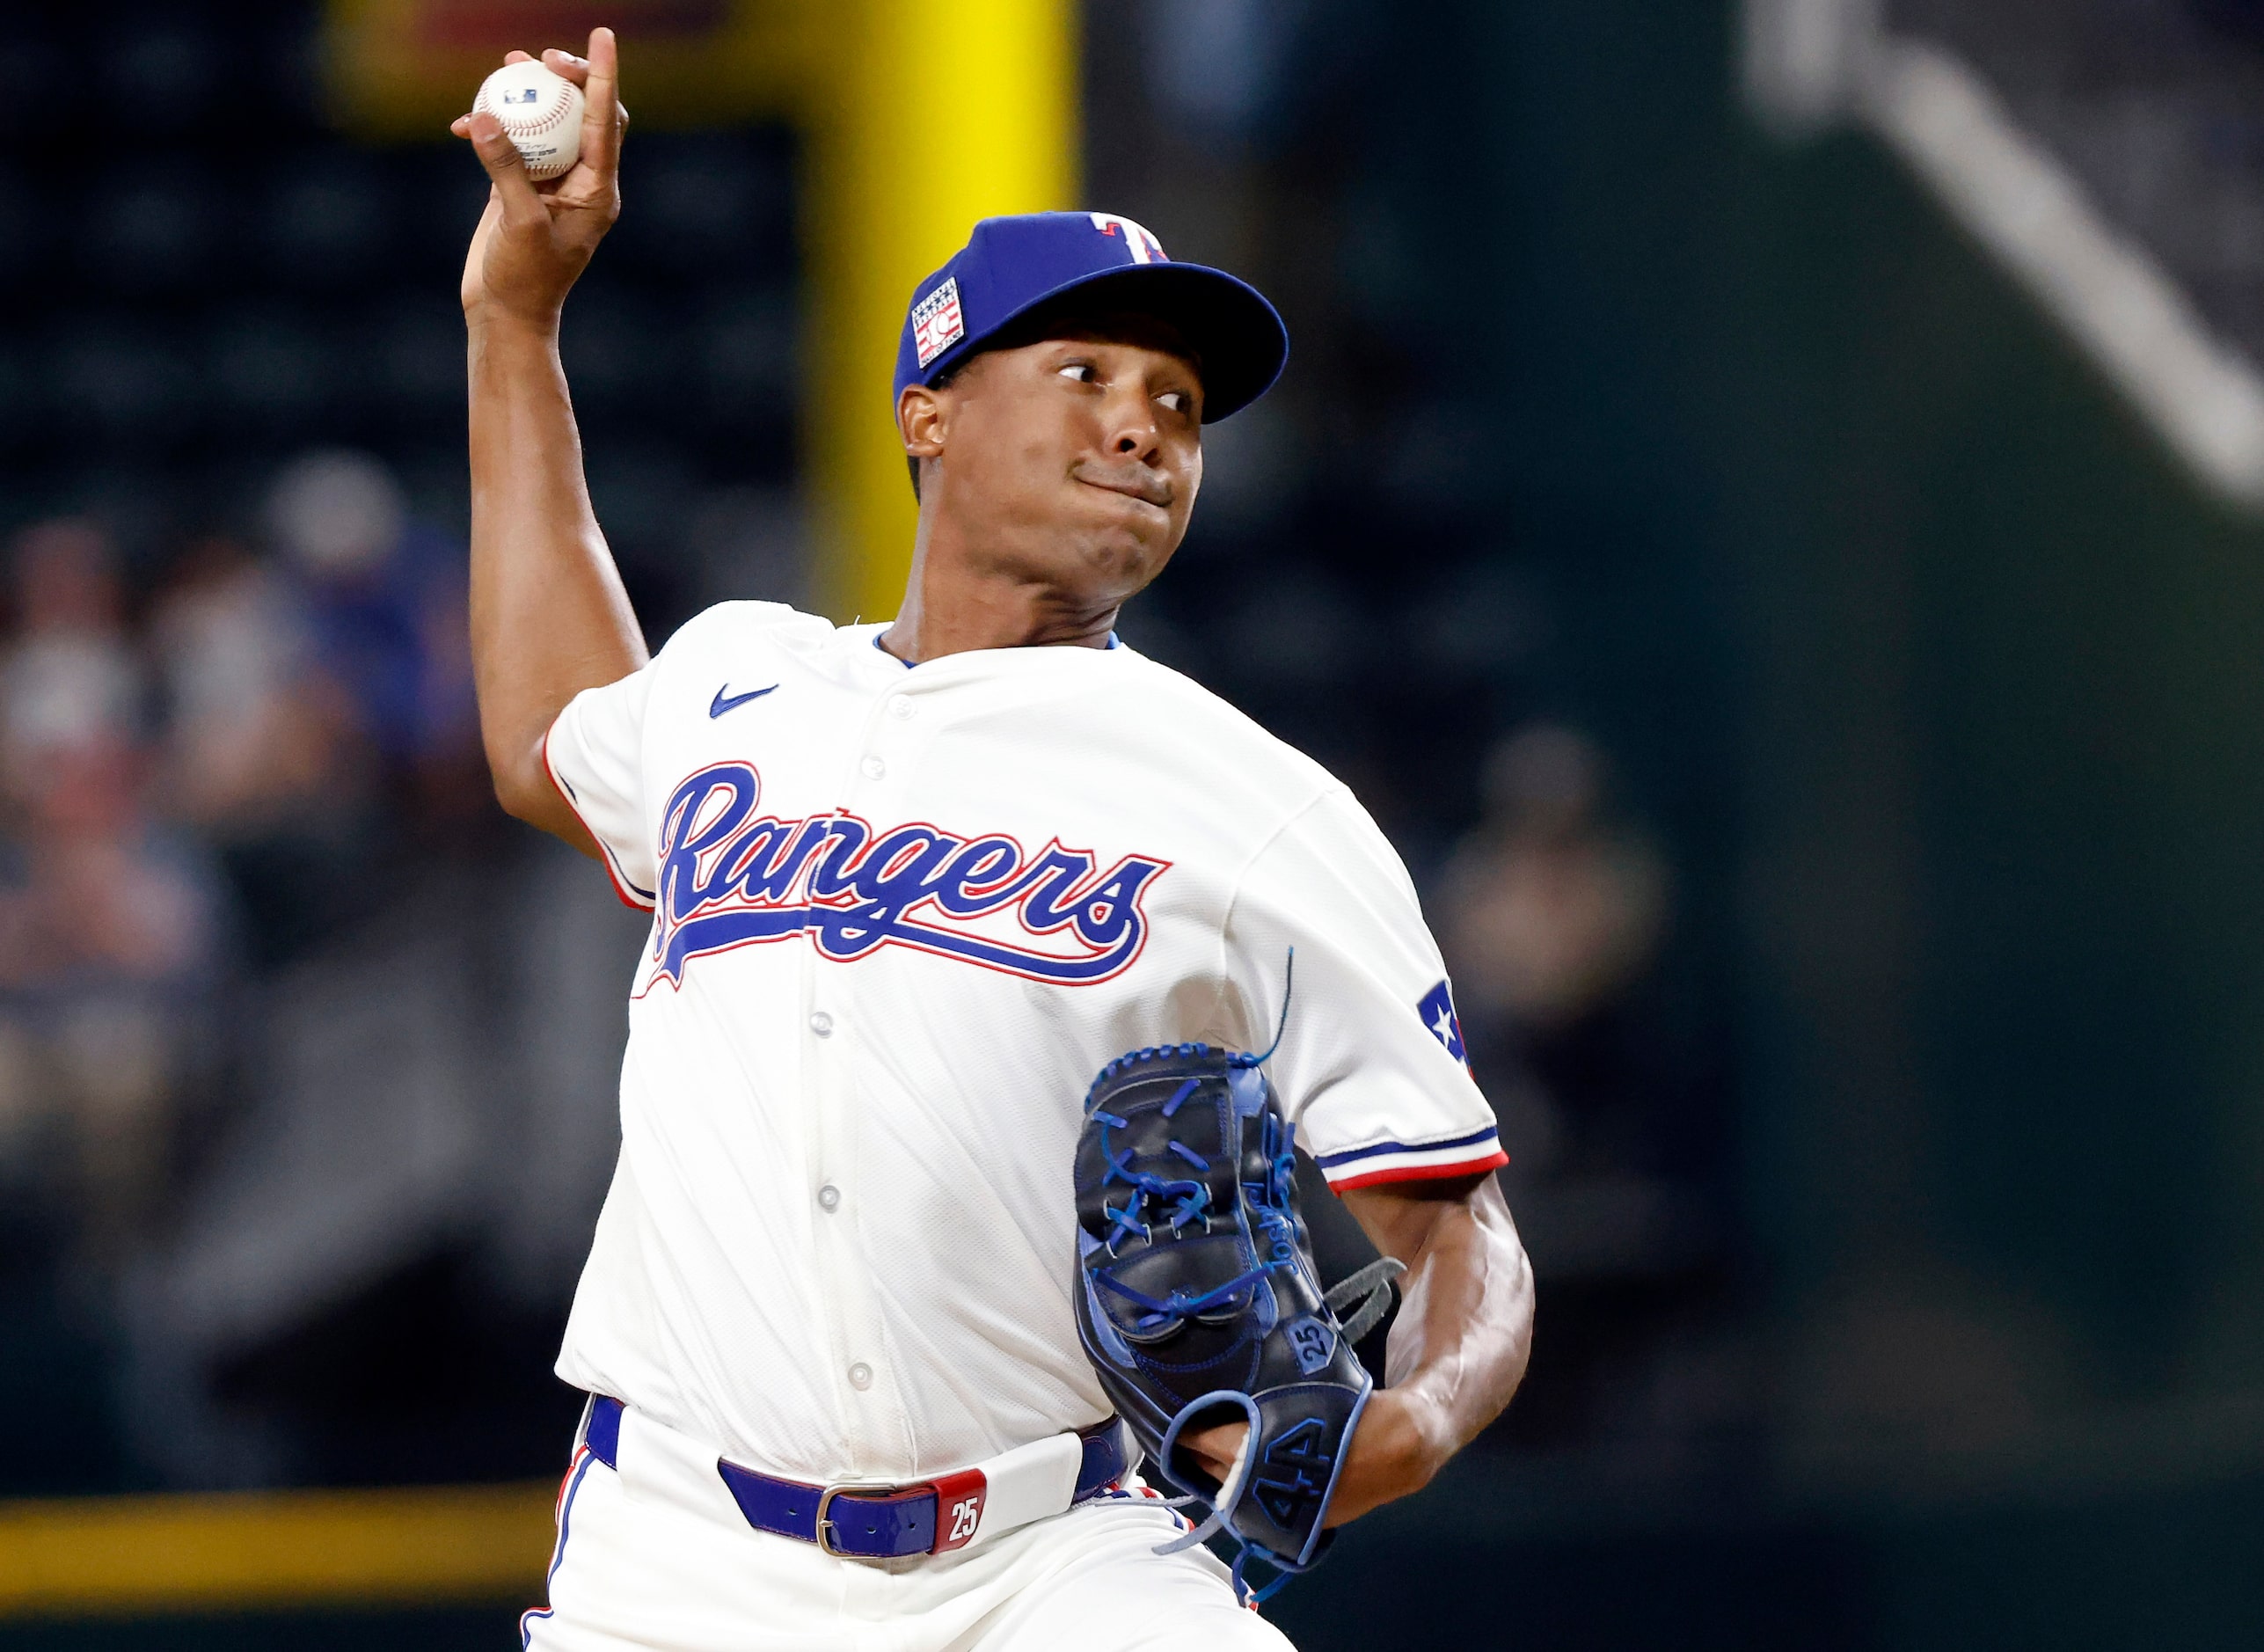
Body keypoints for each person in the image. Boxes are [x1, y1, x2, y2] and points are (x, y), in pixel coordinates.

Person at [456, 31, 1533, 1651]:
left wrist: (1423, 1410)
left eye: (1177, 401)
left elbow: (1456, 1225)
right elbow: (548, 734)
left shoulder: (1255, 804)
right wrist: (516, 319)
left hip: (1057, 1556)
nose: (1144, 426)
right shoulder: (746, 680)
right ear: (930, 417)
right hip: (681, 1552)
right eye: (1082, 374)